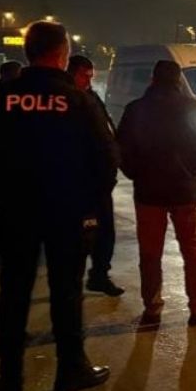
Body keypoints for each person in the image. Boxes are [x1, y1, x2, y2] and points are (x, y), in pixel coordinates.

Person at [0, 21, 117, 391]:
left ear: (27, 51)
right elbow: (106, 161)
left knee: (14, 293)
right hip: (67, 214)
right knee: (66, 292)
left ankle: (9, 382)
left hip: (16, 213)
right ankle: (71, 370)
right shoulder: (78, 101)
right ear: (62, 52)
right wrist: (89, 207)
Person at [117, 60, 196, 327]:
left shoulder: (136, 109)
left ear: (152, 79)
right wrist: (191, 171)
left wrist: (136, 174)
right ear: (178, 80)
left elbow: (121, 150)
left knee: (150, 252)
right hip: (184, 192)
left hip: (148, 193)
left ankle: (152, 308)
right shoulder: (195, 108)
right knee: (192, 249)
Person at [68, 55, 123, 296]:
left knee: (105, 233)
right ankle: (71, 283)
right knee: (78, 237)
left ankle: (99, 274)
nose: (88, 81)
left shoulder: (91, 97)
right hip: (78, 183)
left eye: (91, 77)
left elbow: (106, 128)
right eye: (84, 76)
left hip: (100, 182)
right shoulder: (68, 99)